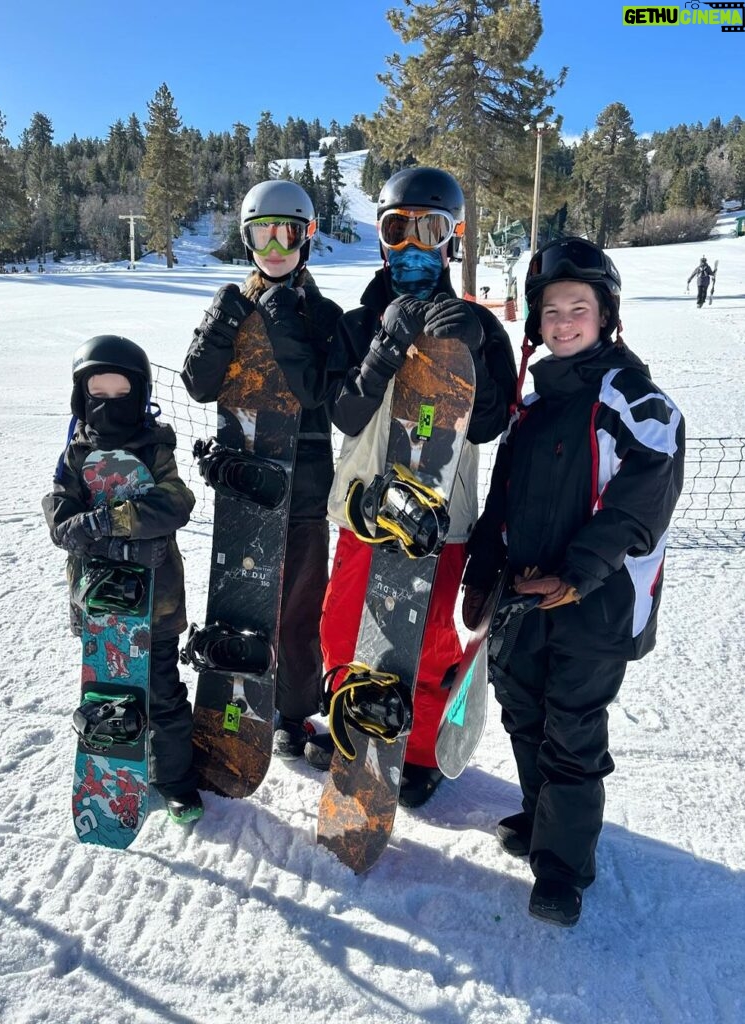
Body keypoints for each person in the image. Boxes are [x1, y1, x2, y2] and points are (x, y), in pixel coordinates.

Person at [462, 236, 685, 927]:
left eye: (577, 308)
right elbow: (505, 493)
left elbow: (645, 488)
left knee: (571, 727)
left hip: (594, 602)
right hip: (526, 593)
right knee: (522, 709)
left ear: (604, 314)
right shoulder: (535, 402)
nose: (563, 322)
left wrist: (580, 571)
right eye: (550, 311)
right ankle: (540, 819)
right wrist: (484, 564)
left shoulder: (627, 395)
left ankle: (563, 869)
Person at [305, 166, 517, 808]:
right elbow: (341, 413)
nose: (415, 246)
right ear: (381, 237)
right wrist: (384, 346)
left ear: (453, 237)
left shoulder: (481, 327)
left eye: (431, 229)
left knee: (425, 642)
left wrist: (476, 345)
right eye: (400, 230)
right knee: (344, 626)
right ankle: (352, 728)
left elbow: (490, 423)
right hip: (362, 510)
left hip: (438, 516)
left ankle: (419, 749)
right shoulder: (357, 321)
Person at [181, 180, 342, 760]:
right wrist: (222, 327)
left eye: (287, 232)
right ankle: (234, 697)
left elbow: (323, 389)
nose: (274, 246)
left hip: (301, 484)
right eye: (261, 233)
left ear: (307, 236)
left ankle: (294, 712)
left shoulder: (323, 315)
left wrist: (286, 325)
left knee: (299, 603)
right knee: (243, 596)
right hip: (245, 484)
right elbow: (199, 385)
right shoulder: (234, 302)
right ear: (246, 238)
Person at [43, 334, 203, 824]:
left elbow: (175, 503)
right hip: (101, 606)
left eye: (121, 395)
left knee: (161, 690)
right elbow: (60, 513)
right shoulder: (76, 453)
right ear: (81, 398)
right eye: (99, 395)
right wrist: (70, 525)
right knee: (108, 689)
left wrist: (106, 524)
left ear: (139, 396)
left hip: (155, 605)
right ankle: (116, 767)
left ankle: (175, 779)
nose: (109, 407)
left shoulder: (155, 448)